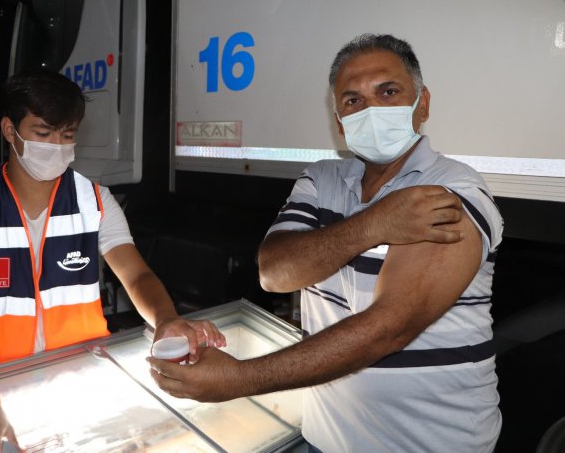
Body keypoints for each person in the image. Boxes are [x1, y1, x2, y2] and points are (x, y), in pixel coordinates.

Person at [149, 34, 503, 452]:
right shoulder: (322, 179)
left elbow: (390, 327)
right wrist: (375, 224)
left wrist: (236, 379)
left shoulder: (453, 190)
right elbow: (274, 272)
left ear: (421, 104)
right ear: (339, 122)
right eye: (353, 101)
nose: (371, 110)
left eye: (388, 92)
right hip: (326, 441)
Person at [0, 68, 226, 453]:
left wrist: (166, 319)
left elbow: (135, 274)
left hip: (81, 381)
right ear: (9, 130)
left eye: (67, 135)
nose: (56, 145)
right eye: (43, 133)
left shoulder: (95, 201)